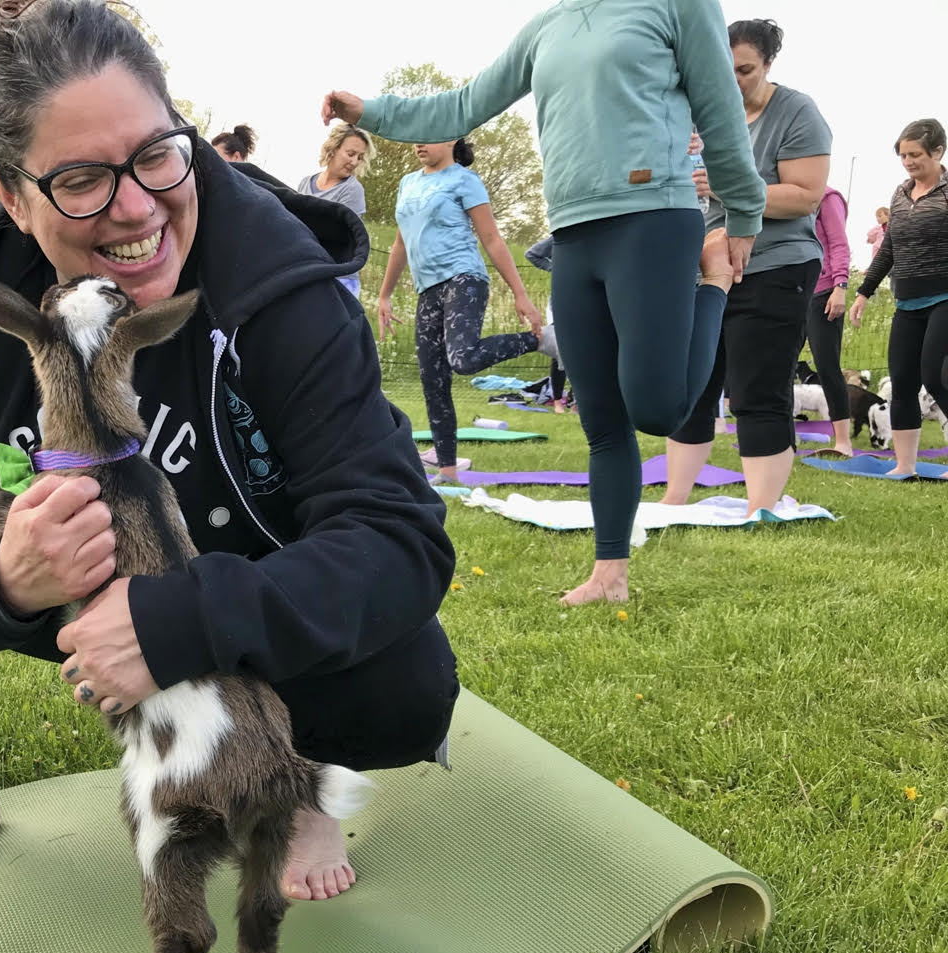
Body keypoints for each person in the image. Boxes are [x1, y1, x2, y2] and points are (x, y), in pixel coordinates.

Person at [0, 0, 458, 905]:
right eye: (81, 180)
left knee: (406, 685)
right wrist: (8, 582)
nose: (136, 207)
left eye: (154, 155)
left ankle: (302, 777)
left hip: (237, 602)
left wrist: (183, 619)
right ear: (7, 192)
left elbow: (400, 538)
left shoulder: (279, 281)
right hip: (76, 596)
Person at [323, 0, 765, 605]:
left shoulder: (677, 4)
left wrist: (742, 214)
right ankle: (610, 574)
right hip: (573, 234)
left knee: (658, 410)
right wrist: (368, 110)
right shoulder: (546, 27)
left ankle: (711, 284)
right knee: (601, 419)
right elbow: (460, 105)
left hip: (653, 216)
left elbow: (720, 110)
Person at [663, 19, 831, 510]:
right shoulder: (701, 112)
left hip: (776, 265)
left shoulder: (797, 112)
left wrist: (722, 183)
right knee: (692, 385)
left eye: (745, 70)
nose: (733, 80)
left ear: (768, 65)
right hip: (708, 267)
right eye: (723, 69)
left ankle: (762, 506)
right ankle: (674, 498)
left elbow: (804, 197)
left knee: (756, 388)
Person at [375, 138, 546, 482]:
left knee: (463, 358)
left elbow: (492, 238)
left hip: (463, 278)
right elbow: (399, 244)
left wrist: (520, 294)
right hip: (428, 288)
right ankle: (449, 471)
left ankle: (539, 341)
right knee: (432, 380)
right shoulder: (408, 183)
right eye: (415, 138)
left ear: (451, 138)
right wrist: (384, 295)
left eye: (428, 137)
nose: (418, 144)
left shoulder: (464, 180)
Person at [850, 118, 948, 477]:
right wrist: (863, 291)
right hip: (906, 302)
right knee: (902, 382)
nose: (908, 161)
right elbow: (889, 248)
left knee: (937, 376)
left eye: (915, 154)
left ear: (938, 151)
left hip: (944, 298)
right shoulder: (900, 193)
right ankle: (905, 465)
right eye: (903, 155)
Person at [804, 185, 853, 455]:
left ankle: (843, 442)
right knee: (782, 364)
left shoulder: (828, 198)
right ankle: (781, 435)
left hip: (825, 291)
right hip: (795, 290)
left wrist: (840, 286)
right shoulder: (792, 196)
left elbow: (838, 243)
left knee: (826, 365)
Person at [299, 124, 372, 297]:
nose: (354, 162)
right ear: (333, 148)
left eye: (360, 157)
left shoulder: (352, 190)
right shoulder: (305, 183)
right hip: (307, 275)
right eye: (350, 154)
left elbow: (337, 237)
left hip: (339, 281)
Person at [524, 234, 569, 410]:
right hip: (559, 304)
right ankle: (557, 401)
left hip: (590, 302)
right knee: (561, 351)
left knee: (588, 352)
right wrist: (554, 268)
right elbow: (531, 254)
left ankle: (575, 402)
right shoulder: (560, 236)